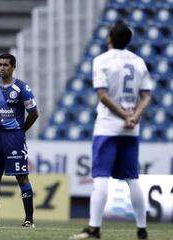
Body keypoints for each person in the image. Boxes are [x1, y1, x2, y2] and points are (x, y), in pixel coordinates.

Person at [69, 21, 151, 240]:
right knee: (132, 179)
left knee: (101, 177)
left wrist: (124, 116)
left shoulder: (101, 61)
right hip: (131, 129)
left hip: (107, 126)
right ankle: (142, 230)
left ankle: (94, 228)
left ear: (110, 38)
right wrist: (133, 116)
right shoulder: (139, 62)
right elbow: (146, 96)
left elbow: (103, 96)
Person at [0, 53, 39, 228]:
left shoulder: (22, 88)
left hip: (15, 137)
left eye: (6, 65)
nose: (2, 68)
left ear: (13, 67)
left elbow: (34, 114)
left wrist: (20, 130)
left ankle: (29, 219)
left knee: (21, 176)